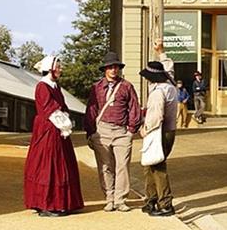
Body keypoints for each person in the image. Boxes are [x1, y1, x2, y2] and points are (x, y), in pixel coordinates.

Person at [23, 55, 84, 217]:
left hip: (57, 130)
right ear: (50, 68)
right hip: (48, 129)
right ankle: (45, 204)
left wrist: (65, 120)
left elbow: (62, 107)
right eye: (58, 67)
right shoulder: (42, 86)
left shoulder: (55, 86)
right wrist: (65, 124)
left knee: (60, 163)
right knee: (47, 164)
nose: (60, 69)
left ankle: (60, 202)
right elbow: (50, 109)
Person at [84, 51, 140, 212]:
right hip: (102, 131)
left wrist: (131, 130)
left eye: (116, 67)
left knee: (122, 166)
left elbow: (134, 108)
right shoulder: (96, 87)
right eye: (110, 67)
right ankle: (109, 198)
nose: (113, 70)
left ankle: (120, 199)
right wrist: (90, 132)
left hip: (121, 131)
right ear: (105, 69)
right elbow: (91, 110)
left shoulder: (127, 86)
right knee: (105, 166)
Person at [139, 43, 179, 217]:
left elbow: (155, 116)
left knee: (157, 166)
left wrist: (145, 129)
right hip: (169, 130)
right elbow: (169, 68)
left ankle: (165, 204)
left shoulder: (157, 92)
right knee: (150, 166)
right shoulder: (169, 84)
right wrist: (161, 52)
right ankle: (151, 200)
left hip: (159, 131)